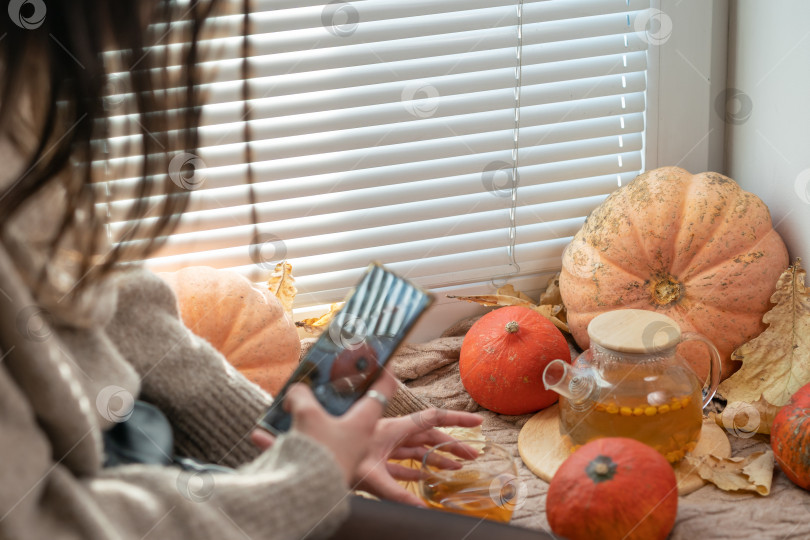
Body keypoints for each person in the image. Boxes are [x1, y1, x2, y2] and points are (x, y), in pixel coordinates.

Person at [0, 1, 546, 539]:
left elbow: (102, 303)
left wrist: (292, 450)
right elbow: (38, 522)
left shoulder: (23, 109)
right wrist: (305, 477)